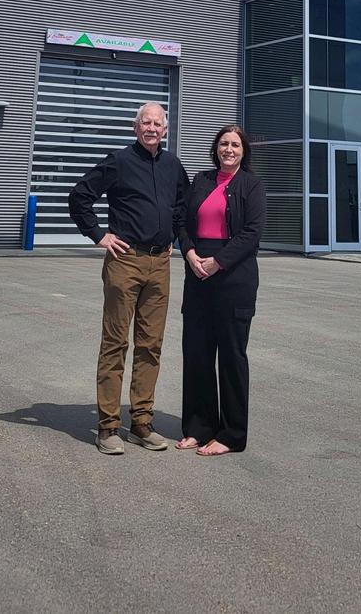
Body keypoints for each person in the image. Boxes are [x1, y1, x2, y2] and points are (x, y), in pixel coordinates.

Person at [68, 101, 189, 455]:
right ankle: (107, 426)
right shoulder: (119, 162)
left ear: (165, 129)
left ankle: (141, 422)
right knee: (116, 342)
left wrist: (174, 237)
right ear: (135, 128)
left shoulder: (172, 165)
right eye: (145, 122)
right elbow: (79, 196)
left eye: (157, 123)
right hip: (125, 261)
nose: (151, 128)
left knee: (151, 345)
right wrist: (98, 235)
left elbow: (182, 207)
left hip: (160, 264)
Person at [176, 124, 266, 456]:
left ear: (244, 151)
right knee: (197, 354)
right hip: (198, 274)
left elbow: (253, 232)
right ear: (216, 149)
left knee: (231, 356)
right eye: (224, 143)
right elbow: (181, 222)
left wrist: (219, 261)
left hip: (234, 279)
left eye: (235, 145)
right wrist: (189, 253)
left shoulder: (252, 185)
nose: (229, 149)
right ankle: (198, 428)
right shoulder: (201, 181)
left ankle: (230, 435)